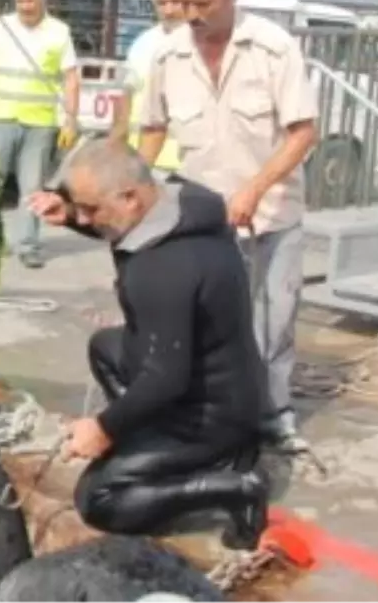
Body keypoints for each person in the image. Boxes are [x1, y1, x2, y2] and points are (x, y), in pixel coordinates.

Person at [28, 139, 268, 547]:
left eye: (90, 209)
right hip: (224, 378)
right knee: (104, 347)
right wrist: (69, 214)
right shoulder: (181, 201)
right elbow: (112, 218)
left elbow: (166, 378)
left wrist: (104, 428)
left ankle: (234, 485)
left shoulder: (163, 268)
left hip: (209, 410)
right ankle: (152, 441)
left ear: (130, 198)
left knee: (99, 498)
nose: (85, 218)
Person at [136, 0, 319, 450]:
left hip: (273, 214)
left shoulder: (273, 48)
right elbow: (152, 127)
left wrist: (254, 189)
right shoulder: (168, 55)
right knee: (207, 322)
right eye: (184, 4)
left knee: (272, 320)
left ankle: (273, 413)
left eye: (203, 5)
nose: (192, 16)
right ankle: (210, 414)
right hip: (203, 219)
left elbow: (303, 133)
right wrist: (134, 185)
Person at [0, 0, 80, 269]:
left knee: (33, 187)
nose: (25, 6)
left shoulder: (59, 32)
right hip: (0, 118)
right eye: (20, 1)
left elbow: (71, 79)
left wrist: (70, 120)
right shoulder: (2, 27)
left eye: (30, 0)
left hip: (40, 124)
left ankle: (28, 245)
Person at [111, 0, 184, 177]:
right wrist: (115, 148)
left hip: (187, 167)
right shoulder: (143, 43)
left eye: (175, 2)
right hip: (143, 163)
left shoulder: (205, 46)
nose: (169, 10)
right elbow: (126, 97)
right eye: (162, 3)